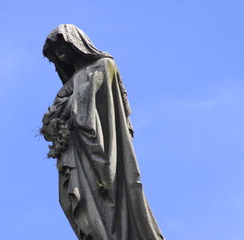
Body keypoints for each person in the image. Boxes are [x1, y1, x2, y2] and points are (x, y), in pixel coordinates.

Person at [41, 24, 164, 240]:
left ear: (77, 43)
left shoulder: (103, 65)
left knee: (110, 196)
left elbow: (82, 107)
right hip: (76, 152)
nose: (61, 54)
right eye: (56, 53)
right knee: (69, 201)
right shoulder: (68, 85)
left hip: (104, 149)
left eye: (63, 47)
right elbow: (49, 123)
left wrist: (62, 112)